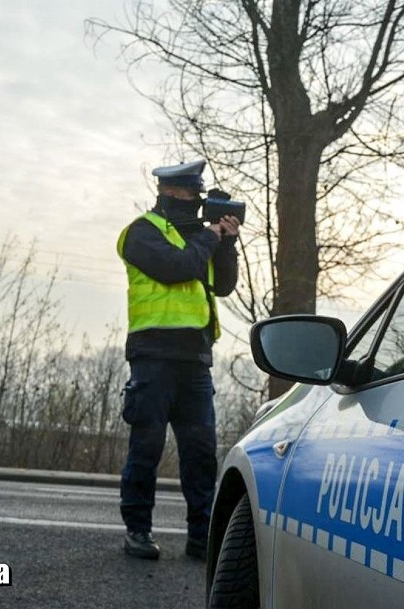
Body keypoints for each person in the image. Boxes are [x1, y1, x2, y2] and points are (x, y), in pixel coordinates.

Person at [116, 159, 240, 561]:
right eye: (192, 194)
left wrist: (227, 242)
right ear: (170, 193)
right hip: (153, 356)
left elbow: (222, 286)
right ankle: (138, 530)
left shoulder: (198, 238)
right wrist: (209, 237)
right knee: (146, 447)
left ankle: (201, 536)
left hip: (195, 360)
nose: (198, 201)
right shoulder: (141, 233)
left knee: (201, 453)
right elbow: (175, 269)